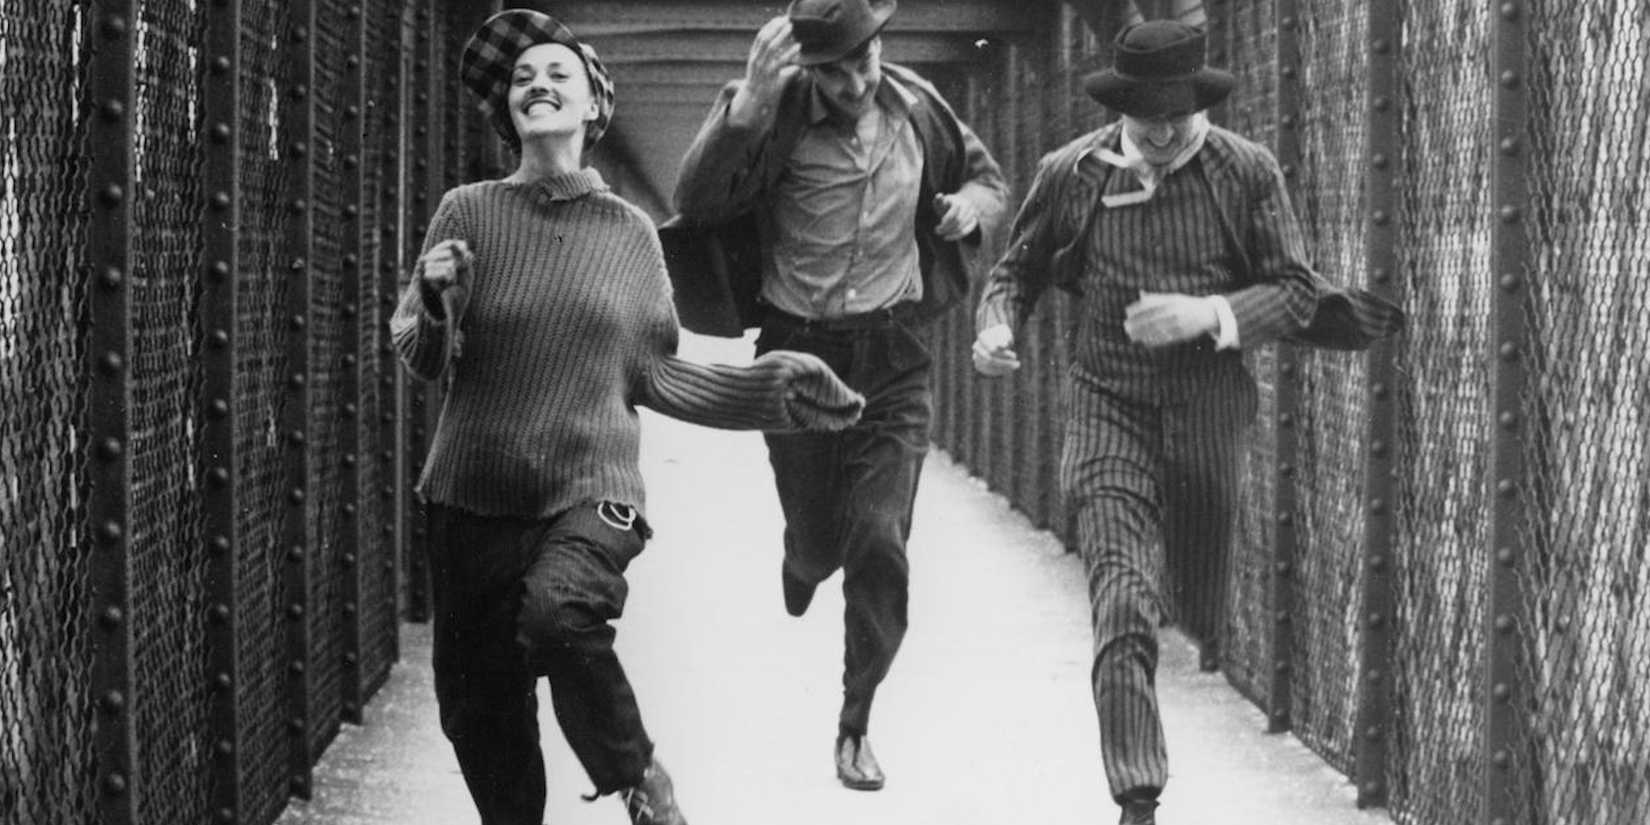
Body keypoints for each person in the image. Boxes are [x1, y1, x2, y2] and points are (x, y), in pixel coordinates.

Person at [392, 10, 866, 825]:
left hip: (589, 488)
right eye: (521, 80)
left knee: (559, 615)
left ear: (590, 108)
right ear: (509, 111)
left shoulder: (631, 233)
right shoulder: (466, 212)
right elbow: (420, 351)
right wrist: (435, 304)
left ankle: (637, 776)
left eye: (556, 76)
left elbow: (654, 371)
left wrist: (766, 387)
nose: (536, 86)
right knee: (482, 718)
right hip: (469, 499)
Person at [970, 20, 1402, 825]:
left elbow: (1298, 293)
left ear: (1200, 104)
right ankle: (1137, 793)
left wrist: (1208, 311)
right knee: (1123, 597)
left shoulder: (1245, 171)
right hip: (1109, 406)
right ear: (1121, 110)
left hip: (1208, 408)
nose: (1163, 132)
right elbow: (1015, 269)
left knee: (1200, 599)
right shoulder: (1072, 172)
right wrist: (995, 326)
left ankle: (1197, 604)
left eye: (1178, 115)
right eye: (1146, 119)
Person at [670, 0, 1008, 792]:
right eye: (835, 70)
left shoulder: (920, 105)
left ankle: (856, 717)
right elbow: (698, 199)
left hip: (893, 354)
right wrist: (744, 108)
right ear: (807, 67)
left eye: (867, 59)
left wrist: (971, 209)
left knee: (881, 534)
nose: (857, 81)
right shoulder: (773, 113)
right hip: (796, 353)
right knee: (822, 537)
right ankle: (803, 554)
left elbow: (989, 180)